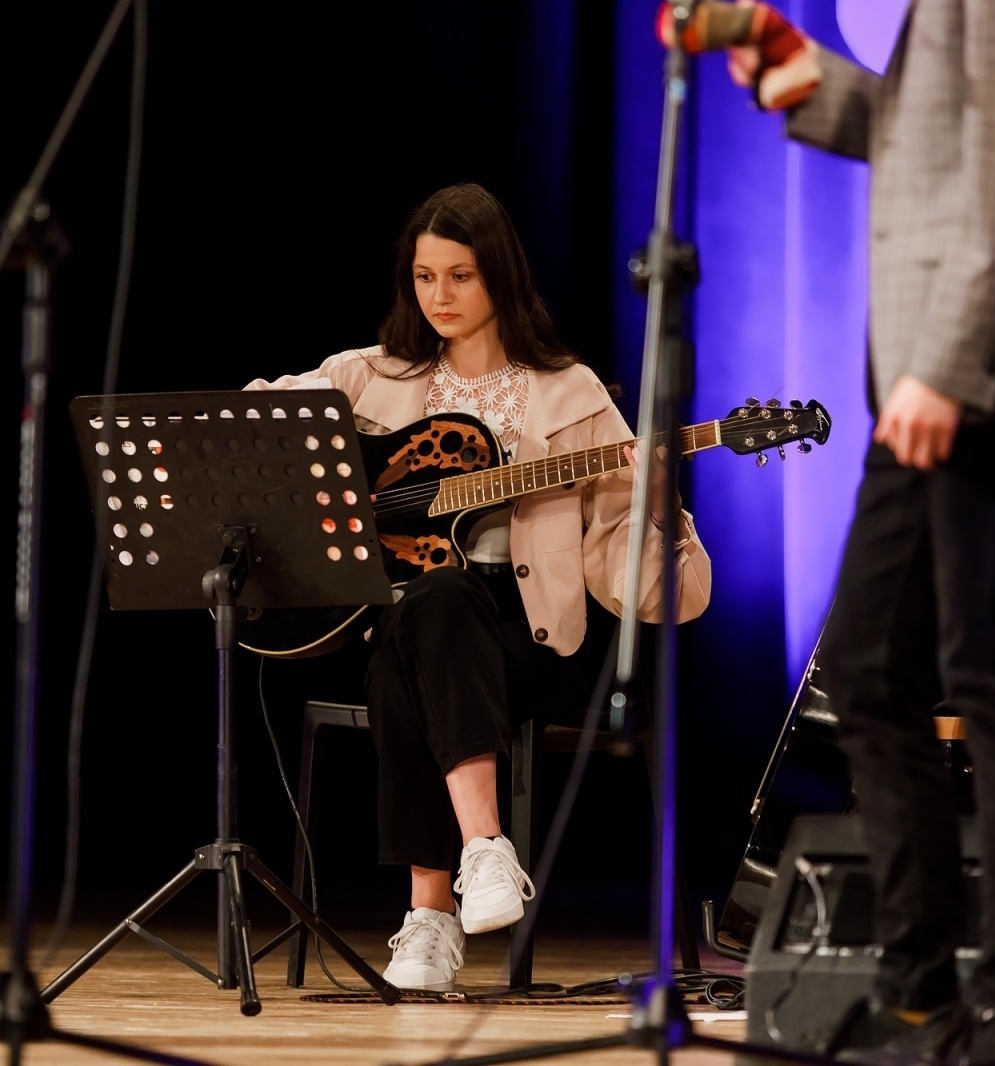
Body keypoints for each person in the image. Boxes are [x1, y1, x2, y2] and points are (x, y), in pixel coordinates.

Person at [672, 1, 995, 1062]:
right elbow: (927, 138)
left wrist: (949, 368)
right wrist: (802, 76)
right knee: (876, 669)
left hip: (983, 381)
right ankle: (922, 989)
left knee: (989, 677)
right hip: (937, 379)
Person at [245, 182, 711, 990]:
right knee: (428, 606)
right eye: (425, 277)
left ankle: (429, 920)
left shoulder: (574, 396)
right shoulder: (365, 378)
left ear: (499, 274)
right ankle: (485, 853)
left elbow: (647, 596)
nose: (439, 297)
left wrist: (663, 506)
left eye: (459, 276)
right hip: (408, 616)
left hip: (528, 636)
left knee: (424, 633)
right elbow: (259, 430)